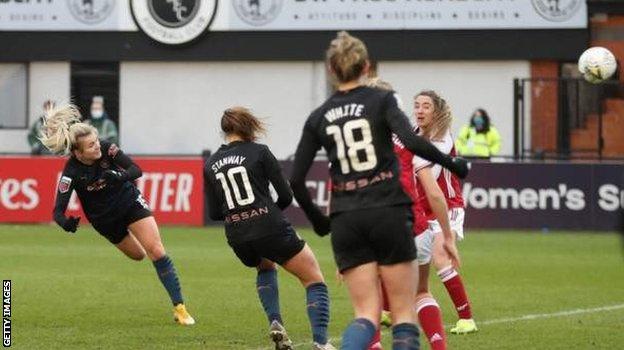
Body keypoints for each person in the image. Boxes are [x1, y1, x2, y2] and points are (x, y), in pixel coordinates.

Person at [290, 31, 468, 350]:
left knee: (365, 314)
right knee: (402, 313)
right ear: (366, 67)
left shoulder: (318, 117)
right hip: (388, 212)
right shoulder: (381, 100)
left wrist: (319, 222)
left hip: (347, 220)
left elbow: (296, 180)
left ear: (331, 69)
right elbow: (412, 142)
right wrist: (453, 165)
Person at [39, 103, 194, 326]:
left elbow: (136, 170)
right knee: (139, 255)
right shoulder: (71, 172)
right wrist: (66, 223)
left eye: (96, 141)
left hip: (128, 202)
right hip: (104, 220)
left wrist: (119, 177)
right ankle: (146, 254)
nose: (97, 147)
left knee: (157, 251)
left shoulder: (108, 149)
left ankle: (180, 309)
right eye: (90, 146)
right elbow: (57, 211)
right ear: (77, 153)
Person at [204, 107, 335, 350]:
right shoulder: (260, 152)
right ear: (248, 127)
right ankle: (321, 342)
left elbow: (213, 213)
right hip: (268, 225)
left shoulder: (210, 163)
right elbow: (286, 195)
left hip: (237, 235)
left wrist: (241, 217)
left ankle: (276, 321)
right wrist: (267, 214)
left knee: (265, 266)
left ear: (225, 130)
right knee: (314, 278)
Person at [364, 79, 458, 350]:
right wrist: (448, 235)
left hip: (374, 228)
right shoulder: (409, 138)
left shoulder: (352, 143)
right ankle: (439, 346)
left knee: (371, 298)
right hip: (415, 227)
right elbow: (435, 193)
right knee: (420, 292)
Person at [414, 92, 478, 335]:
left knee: (440, 258)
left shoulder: (442, 140)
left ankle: (467, 318)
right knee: (406, 258)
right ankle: (390, 311)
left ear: (436, 112)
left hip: (447, 206)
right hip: (421, 207)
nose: (420, 111)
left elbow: (432, 177)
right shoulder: (413, 133)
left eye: (426, 106)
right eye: (417, 106)